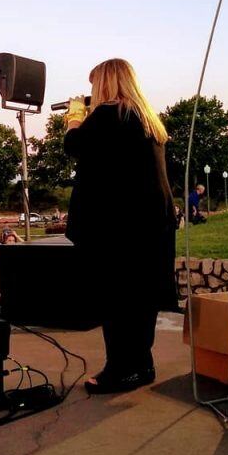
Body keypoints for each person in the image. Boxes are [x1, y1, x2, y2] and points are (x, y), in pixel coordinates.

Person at [64, 58, 176, 394]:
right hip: (152, 226)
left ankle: (119, 370)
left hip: (119, 230)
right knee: (141, 301)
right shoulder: (146, 119)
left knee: (114, 300)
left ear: (106, 84)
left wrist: (73, 116)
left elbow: (74, 146)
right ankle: (141, 365)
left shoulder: (108, 114)